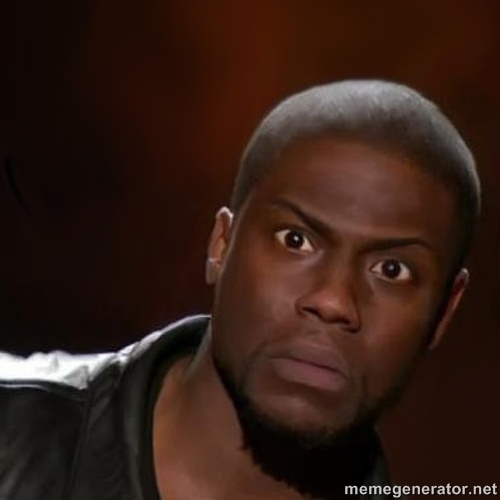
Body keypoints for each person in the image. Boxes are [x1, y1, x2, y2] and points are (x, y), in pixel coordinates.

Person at [0, 80, 480, 500]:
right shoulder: (13, 432)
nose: (334, 301)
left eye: (392, 270)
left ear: (445, 310)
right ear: (221, 245)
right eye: (296, 240)